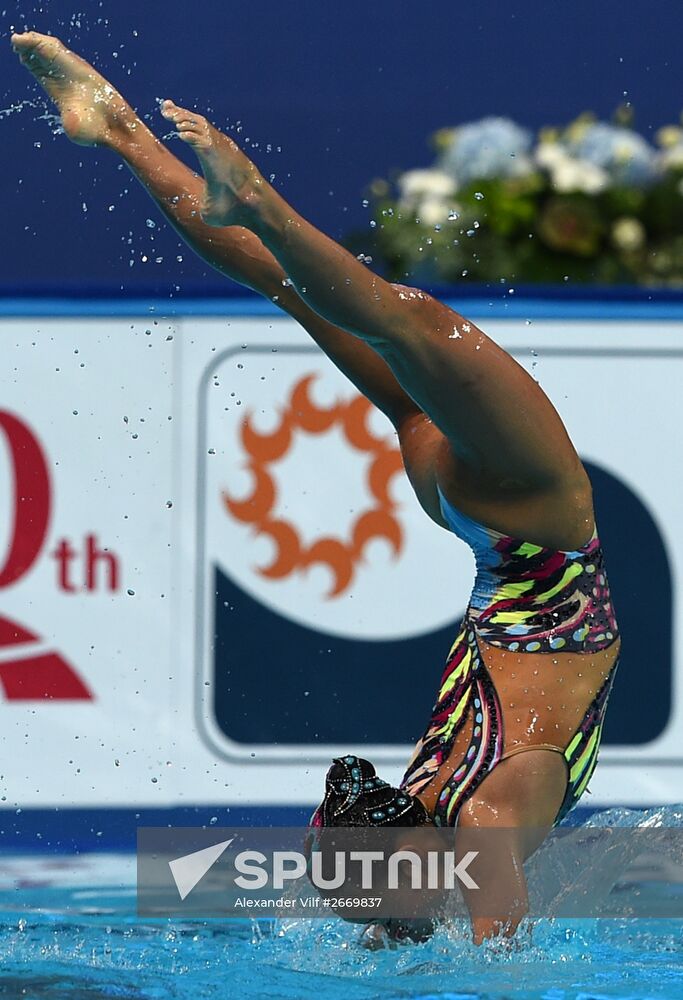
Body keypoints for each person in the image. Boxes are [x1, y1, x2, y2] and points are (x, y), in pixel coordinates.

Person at [12, 31, 621, 944]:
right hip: (498, 533)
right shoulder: (441, 818)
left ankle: (210, 178)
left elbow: (484, 962)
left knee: (401, 319)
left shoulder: (465, 826)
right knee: (343, 305)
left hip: (530, 527)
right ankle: (125, 135)